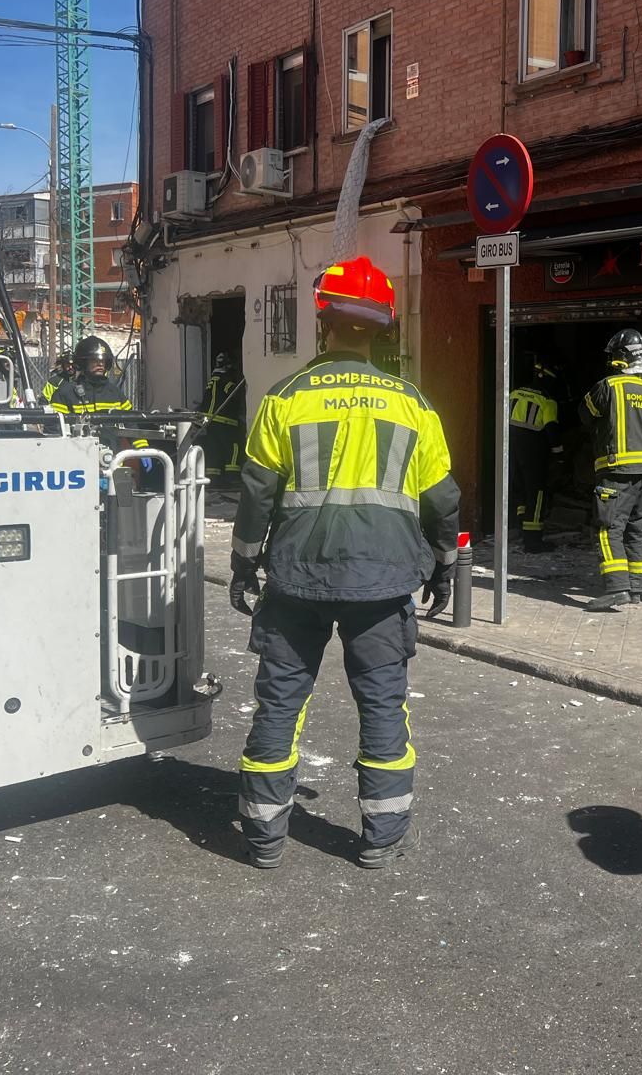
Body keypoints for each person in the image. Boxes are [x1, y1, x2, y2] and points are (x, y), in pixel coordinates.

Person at [229, 256, 459, 871]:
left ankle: (263, 837)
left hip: (297, 580)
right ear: (381, 327)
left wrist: (244, 565)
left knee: (280, 704)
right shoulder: (413, 405)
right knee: (383, 705)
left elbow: (255, 491)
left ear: (324, 320)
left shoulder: (286, 398)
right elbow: (443, 498)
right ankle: (381, 838)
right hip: (383, 585)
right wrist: (443, 567)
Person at [581, 329, 642, 612]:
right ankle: (637, 588)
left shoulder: (609, 386)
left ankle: (617, 589)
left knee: (607, 528)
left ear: (621, 356)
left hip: (614, 469)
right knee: (636, 528)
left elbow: (585, 413)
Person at [510, 355, 563, 553]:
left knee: (520, 491)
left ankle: (521, 530)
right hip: (533, 452)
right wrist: (559, 456)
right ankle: (533, 541)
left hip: (511, 450)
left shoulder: (514, 393)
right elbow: (551, 430)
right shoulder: (547, 400)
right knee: (536, 494)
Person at [47, 336, 132, 415]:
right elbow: (54, 428)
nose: (100, 364)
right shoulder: (65, 393)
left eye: (103, 360)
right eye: (94, 360)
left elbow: (131, 424)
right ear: (83, 363)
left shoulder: (115, 393)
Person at [197, 352, 246, 482]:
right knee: (233, 448)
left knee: (213, 449)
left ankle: (213, 479)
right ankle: (232, 478)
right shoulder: (227, 379)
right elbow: (234, 394)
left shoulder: (213, 379)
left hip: (210, 422)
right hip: (226, 421)